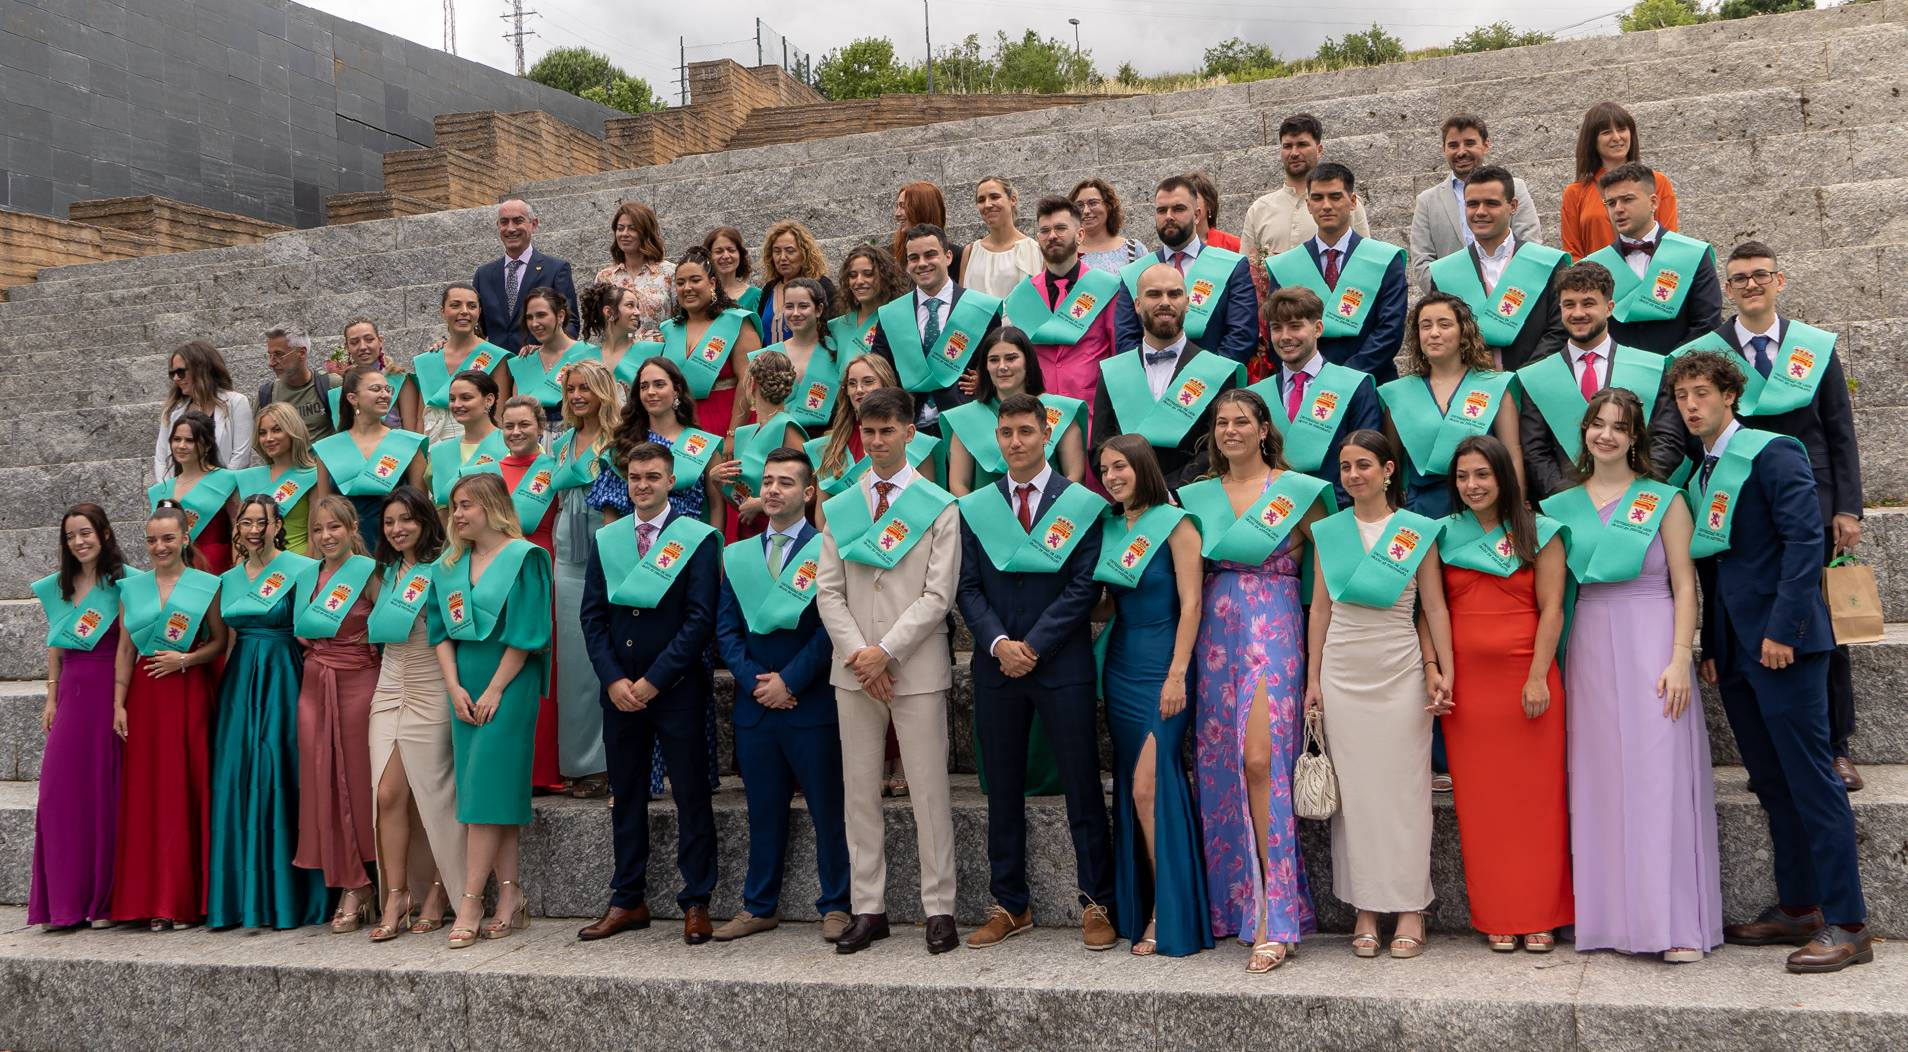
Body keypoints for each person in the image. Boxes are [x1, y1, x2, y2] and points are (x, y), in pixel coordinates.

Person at [1669, 351, 1872, 973]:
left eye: (1702, 393)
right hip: (1735, 653)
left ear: (1731, 395)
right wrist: (1715, 647)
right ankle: (1800, 907)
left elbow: (1805, 539)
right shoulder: (1696, 472)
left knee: (1812, 780)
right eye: (1682, 397)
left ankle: (1850, 923)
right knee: (1773, 783)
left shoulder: (1772, 450)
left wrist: (1784, 629)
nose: (1692, 405)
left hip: (1786, 645)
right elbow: (1713, 562)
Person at [1539, 388, 1720, 963]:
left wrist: (1679, 658)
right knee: (1599, 779)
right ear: (1584, 433)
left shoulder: (1663, 500)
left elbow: (1686, 586)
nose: (1607, 435)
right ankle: (1611, 920)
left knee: (1655, 776)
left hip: (1652, 639)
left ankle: (1673, 924)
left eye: (1620, 426)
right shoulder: (1561, 507)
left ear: (1636, 437)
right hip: (1589, 640)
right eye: (1598, 424)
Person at [1674, 241, 1864, 788]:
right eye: (1739, 279)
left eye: (1761, 276)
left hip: (1813, 502)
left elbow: (1838, 428)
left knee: (1820, 626)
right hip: (1737, 502)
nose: (1751, 285)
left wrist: (1848, 506)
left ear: (1780, 281)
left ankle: (1836, 744)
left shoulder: (1812, 348)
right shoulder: (1711, 355)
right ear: (1727, 290)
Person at [1179, 391, 1333, 971]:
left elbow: (1329, 572)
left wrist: (1319, 661)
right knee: (1221, 767)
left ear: (1265, 429)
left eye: (1243, 420)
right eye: (1221, 422)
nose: (1231, 430)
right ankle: (1240, 902)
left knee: (1261, 760)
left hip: (1274, 626)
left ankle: (1277, 908)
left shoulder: (1297, 493)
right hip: (1217, 634)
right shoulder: (1197, 497)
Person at [956, 394, 1115, 952]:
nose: (1016, 441)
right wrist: (1000, 643)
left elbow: (1083, 587)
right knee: (1002, 789)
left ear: (1046, 434)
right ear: (996, 438)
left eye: (1026, 431)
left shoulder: (1079, 503)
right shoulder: (978, 505)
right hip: (997, 664)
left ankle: (1097, 901)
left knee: (1081, 784)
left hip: (1061, 663)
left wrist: (1034, 645)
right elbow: (967, 587)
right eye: (1006, 433)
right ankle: (1009, 903)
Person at [814, 387, 962, 955]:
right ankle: (868, 906)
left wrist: (886, 652)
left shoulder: (938, 505)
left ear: (908, 433)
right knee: (860, 794)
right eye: (867, 433)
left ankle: (939, 907)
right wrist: (861, 654)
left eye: (886, 431)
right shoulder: (842, 503)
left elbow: (937, 595)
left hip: (914, 665)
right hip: (854, 669)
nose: (876, 442)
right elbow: (828, 591)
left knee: (928, 792)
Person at [1304, 430, 1451, 959]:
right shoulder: (1330, 532)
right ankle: (1365, 909)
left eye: (1363, 464)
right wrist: (1313, 678)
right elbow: (1319, 609)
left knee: (1407, 793)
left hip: (1400, 668)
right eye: (1345, 467)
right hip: (1343, 669)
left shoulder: (1416, 531)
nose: (1353, 475)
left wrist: (1441, 669)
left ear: (1389, 470)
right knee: (1358, 798)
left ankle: (1411, 907)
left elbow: (1432, 608)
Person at [576, 442, 721, 945]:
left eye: (652, 477)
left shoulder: (697, 538)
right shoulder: (609, 538)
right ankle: (627, 898)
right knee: (627, 796)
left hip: (675, 687)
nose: (642, 485)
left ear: (670, 480)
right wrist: (614, 679)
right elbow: (593, 617)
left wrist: (654, 679)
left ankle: (697, 899)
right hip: (619, 693)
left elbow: (701, 618)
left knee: (691, 793)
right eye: (635, 477)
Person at [711, 448, 852, 943]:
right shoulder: (740, 552)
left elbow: (830, 627)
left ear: (808, 493)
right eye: (767, 481)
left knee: (828, 811)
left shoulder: (826, 548)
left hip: (809, 702)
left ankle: (837, 904)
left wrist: (789, 681)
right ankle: (759, 904)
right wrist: (756, 682)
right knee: (763, 811)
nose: (772, 490)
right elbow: (726, 629)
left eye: (785, 483)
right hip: (756, 704)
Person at [1438, 435, 1572, 952]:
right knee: (1482, 807)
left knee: (1537, 803)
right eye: (1463, 477)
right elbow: (1433, 612)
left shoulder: (1539, 532)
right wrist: (1437, 669)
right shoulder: (1442, 535)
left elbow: (1552, 609)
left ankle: (1540, 912)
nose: (1472, 486)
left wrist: (1538, 675)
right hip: (1469, 693)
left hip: (1528, 685)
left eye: (1482, 475)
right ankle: (1497, 911)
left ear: (1503, 478)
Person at [1092, 437, 1211, 958]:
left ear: (1143, 467)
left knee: (1148, 786)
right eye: (1103, 469)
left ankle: (1169, 908)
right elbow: (1104, 605)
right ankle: (1146, 903)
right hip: (1120, 663)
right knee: (1136, 787)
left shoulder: (1176, 522)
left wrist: (1178, 674)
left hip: (1164, 666)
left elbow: (1192, 605)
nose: (1111, 476)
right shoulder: (1110, 527)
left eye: (1120, 466)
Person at [432, 473, 553, 948]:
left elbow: (527, 632)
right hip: (464, 685)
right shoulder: (449, 565)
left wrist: (495, 689)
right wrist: (454, 687)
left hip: (508, 684)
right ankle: (510, 895)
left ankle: (469, 900)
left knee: (482, 796)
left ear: (492, 506)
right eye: (454, 506)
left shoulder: (525, 559)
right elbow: (440, 632)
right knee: (489, 793)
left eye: (467, 506)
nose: (458, 515)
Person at [206, 493, 327, 930]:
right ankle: (241, 898)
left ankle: (293, 896)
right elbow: (225, 640)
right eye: (246, 522)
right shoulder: (227, 579)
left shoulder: (301, 570)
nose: (254, 529)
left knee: (283, 774)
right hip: (242, 682)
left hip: (285, 675)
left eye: (262, 521)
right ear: (236, 529)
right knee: (238, 780)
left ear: (279, 525)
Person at [110, 503, 228, 929]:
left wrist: (187, 659)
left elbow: (219, 642)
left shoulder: (205, 585)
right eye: (152, 540)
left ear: (184, 539)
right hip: (145, 697)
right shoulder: (133, 589)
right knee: (148, 797)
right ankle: (149, 900)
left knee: (185, 790)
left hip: (187, 693)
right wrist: (119, 702)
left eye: (167, 538)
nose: (159, 546)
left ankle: (182, 900)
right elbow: (125, 649)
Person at [366, 485, 464, 940]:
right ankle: (397, 893)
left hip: (431, 686)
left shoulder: (444, 568)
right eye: (389, 522)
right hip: (388, 686)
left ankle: (442, 889)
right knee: (387, 794)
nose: (397, 528)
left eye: (406, 519)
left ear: (425, 521)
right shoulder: (382, 573)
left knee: (434, 795)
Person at [28, 504, 129, 930]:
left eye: (85, 533)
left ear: (103, 534)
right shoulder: (59, 586)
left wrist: (120, 701)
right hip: (71, 692)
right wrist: (51, 696)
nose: (79, 542)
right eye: (71, 536)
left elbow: (127, 645)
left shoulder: (123, 583)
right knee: (58, 796)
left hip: (107, 687)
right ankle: (64, 903)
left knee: (104, 794)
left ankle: (102, 902)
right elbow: (56, 642)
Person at [1517, 261, 1688, 502]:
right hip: (1567, 507)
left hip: (1634, 503)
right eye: (1569, 305)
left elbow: (1667, 439)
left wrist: (1634, 491)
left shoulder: (1651, 367)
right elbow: (1535, 451)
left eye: (1588, 303)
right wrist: (1568, 499)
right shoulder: (1537, 376)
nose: (1577, 313)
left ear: (1609, 308)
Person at [292, 495, 382, 931]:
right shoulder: (307, 575)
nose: (326, 536)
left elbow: (388, 629)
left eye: (334, 527)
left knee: (361, 783)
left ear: (352, 529)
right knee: (324, 782)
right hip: (315, 684)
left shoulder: (368, 574)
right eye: (317, 529)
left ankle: (367, 880)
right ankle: (350, 881)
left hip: (358, 684)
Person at [1092, 263, 1243, 488]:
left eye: (1174, 294)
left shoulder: (1217, 371)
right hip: (1130, 501)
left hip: (1196, 497)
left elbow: (1221, 444)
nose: (1165, 302)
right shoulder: (1113, 371)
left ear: (1188, 302)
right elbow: (1099, 447)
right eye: (1154, 294)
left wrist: (1170, 489)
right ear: (1137, 304)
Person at [1380, 293, 1523, 519]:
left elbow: (1513, 457)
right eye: (1425, 326)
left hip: (1483, 511)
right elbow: (1392, 467)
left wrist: (1514, 516)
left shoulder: (1494, 386)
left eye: (1444, 324)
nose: (1434, 333)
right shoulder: (1399, 394)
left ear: (1463, 332)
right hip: (1420, 515)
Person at [1263, 163, 1408, 383]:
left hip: (1372, 380)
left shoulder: (1385, 259)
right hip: (1308, 385)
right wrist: (1313, 376)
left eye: (1335, 197)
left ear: (1352, 202)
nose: (1327, 206)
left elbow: (1390, 331)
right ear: (1308, 204)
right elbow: (1277, 330)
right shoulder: (1286, 266)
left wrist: (1344, 378)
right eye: (1318, 198)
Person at [549, 361, 619, 799]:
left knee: (601, 665)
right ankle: (576, 763)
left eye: (585, 389)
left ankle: (605, 762)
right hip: (564, 558)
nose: (577, 396)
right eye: (571, 389)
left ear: (602, 392)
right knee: (572, 666)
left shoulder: (619, 438)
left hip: (604, 552)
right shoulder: (561, 443)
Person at [1247, 287, 1383, 508]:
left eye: (1295, 326)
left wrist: (1329, 509)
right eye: (1276, 328)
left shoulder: (1355, 386)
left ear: (1318, 328)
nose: (1285, 337)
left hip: (1338, 510)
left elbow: (1366, 456)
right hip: (1272, 517)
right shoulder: (1257, 395)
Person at [1426, 165, 1568, 372]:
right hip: (1470, 391)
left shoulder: (1548, 264)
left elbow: (1559, 329)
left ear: (1512, 206)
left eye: (1491, 203)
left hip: (1534, 385)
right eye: (1472, 204)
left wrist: (1525, 377)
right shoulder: (1444, 273)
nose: (1480, 212)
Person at [498, 397, 568, 795]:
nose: (516, 432)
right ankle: (512, 765)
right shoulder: (490, 472)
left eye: (524, 424)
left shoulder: (553, 469)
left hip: (545, 566)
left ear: (540, 425)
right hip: (502, 571)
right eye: (508, 426)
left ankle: (546, 768)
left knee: (546, 665)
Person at [1577, 163, 1720, 355]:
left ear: (1653, 202)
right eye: (1611, 203)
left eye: (1627, 199)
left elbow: (1707, 323)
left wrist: (1672, 369)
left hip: (1681, 375)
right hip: (1616, 376)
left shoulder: (1692, 254)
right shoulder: (1593, 265)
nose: (1618, 209)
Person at [1115, 176, 1259, 366]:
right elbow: (1126, 339)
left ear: (1197, 215)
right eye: (1161, 210)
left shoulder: (1232, 266)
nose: (1169, 216)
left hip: (1213, 384)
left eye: (1179, 209)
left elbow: (1241, 335)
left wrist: (1209, 378)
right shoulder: (1134, 273)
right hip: (1150, 383)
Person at [1002, 196, 1119, 430]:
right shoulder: (1023, 294)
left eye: (1060, 228)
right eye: (1044, 230)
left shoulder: (1106, 287)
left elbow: (1117, 352)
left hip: (1092, 413)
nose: (1052, 236)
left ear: (1080, 235)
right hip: (1038, 416)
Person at [944, 327, 1087, 499]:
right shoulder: (964, 419)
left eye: (1011, 358)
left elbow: (1074, 477)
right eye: (994, 360)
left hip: (1050, 517)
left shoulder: (1062, 411)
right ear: (986, 367)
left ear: (1028, 361)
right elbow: (958, 486)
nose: (1002, 367)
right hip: (986, 519)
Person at [1408, 115, 1543, 291]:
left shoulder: (1516, 188)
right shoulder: (1427, 201)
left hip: (1510, 305)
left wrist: (1502, 301)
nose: (1461, 152)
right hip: (1453, 308)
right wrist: (1451, 304)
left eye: (1470, 143)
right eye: (1453, 145)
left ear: (1486, 145)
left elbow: (1529, 244)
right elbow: (1423, 263)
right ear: (1444, 149)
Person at [662, 245, 763, 471]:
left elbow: (749, 379)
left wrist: (733, 433)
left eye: (695, 280)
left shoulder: (737, 322)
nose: (687, 288)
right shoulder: (670, 329)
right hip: (684, 425)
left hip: (728, 419)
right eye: (680, 283)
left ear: (712, 284)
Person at [311, 364, 430, 542]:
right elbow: (324, 510)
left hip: (396, 542)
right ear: (352, 398)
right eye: (376, 389)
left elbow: (421, 508)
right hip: (346, 549)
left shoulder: (406, 443)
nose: (385, 395)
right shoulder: (328, 448)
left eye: (387, 389)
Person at [809, 355, 941, 507]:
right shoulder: (828, 446)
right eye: (852, 383)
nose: (859, 390)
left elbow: (927, 506)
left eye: (868, 382)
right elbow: (823, 517)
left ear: (886, 384)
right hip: (847, 530)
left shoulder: (920, 445)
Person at [1242, 114, 1372, 267]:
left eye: (1302, 145)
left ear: (1319, 149)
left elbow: (1365, 259)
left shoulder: (1344, 203)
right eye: (1288, 146)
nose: (1294, 153)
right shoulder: (1259, 209)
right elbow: (1247, 270)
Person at [612, 357, 725, 531]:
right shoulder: (625, 442)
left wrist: (714, 549)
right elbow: (611, 510)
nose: (650, 392)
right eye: (644, 386)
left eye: (659, 384)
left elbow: (716, 507)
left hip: (687, 545)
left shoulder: (705, 445)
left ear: (676, 390)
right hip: (634, 544)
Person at [1561, 102, 1680, 261]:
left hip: (1649, 279)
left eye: (1622, 129)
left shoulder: (1658, 182)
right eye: (1606, 132)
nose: (1617, 137)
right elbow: (1573, 254)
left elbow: (1669, 241)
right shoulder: (1575, 193)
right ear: (1592, 140)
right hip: (1596, 282)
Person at [474, 196, 578, 355]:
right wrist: (450, 343)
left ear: (533, 224)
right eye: (504, 222)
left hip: (538, 365)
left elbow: (570, 323)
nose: (510, 228)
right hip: (496, 368)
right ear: (498, 226)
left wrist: (546, 350)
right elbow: (476, 327)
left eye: (518, 221)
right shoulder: (484, 275)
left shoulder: (556, 269)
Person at [414, 282, 514, 442]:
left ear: (479, 312)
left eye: (472, 306)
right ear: (443, 311)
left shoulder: (494, 356)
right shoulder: (429, 359)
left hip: (478, 445)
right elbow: (421, 417)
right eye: (455, 305)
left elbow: (499, 414)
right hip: (434, 446)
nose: (464, 312)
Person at [726, 350, 807, 539]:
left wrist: (761, 503)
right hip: (744, 528)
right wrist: (717, 481)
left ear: (751, 383)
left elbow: (807, 490)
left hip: (779, 530)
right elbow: (737, 498)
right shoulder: (745, 432)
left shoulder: (787, 428)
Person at [148, 410, 239, 574]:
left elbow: (238, 529)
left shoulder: (227, 480)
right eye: (176, 439)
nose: (181, 446)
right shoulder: (162, 490)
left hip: (216, 567)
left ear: (208, 444)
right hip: (174, 570)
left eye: (190, 440)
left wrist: (240, 572)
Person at [152, 340, 253, 483]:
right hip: (180, 495)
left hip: (223, 492)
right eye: (172, 373)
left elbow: (241, 456)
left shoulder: (236, 402)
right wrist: (169, 491)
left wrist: (219, 489)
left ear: (200, 370)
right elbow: (162, 458)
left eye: (180, 372)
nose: (175, 378)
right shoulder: (172, 411)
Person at [755, 277, 841, 433]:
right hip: (779, 442)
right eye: (789, 306)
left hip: (826, 441)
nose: (795, 313)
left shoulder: (837, 351)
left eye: (803, 306)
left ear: (819, 309)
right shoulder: (769, 355)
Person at [508, 287, 592, 445]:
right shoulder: (525, 360)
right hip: (532, 445)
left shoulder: (587, 354)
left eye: (541, 315)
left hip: (576, 440)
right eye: (529, 317)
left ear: (560, 315)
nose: (534, 323)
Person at [236, 403, 320, 555]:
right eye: (262, 433)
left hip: (296, 565)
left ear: (293, 431)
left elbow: (316, 531)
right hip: (254, 566)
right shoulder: (248, 477)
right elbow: (237, 533)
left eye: (276, 430)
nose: (268, 438)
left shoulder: (313, 475)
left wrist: (309, 572)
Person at [593, 201, 676, 340]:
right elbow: (600, 325)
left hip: (659, 355)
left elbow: (680, 319)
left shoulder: (670, 272)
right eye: (620, 228)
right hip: (618, 357)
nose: (624, 234)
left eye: (632, 228)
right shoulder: (604, 277)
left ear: (646, 232)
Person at [427, 371, 506, 507]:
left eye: (466, 398)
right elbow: (440, 506)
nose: (457, 405)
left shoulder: (511, 444)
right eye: (452, 399)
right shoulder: (440, 452)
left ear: (489, 400)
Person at [331, 318, 421, 432]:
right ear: (347, 347)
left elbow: (411, 431)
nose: (363, 347)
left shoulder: (400, 380)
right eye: (354, 342)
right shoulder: (340, 387)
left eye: (369, 339)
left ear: (380, 341)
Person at [758, 220, 835, 345]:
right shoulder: (769, 289)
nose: (782, 257)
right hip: (770, 363)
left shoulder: (823, 286)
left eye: (790, 251)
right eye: (777, 251)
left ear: (804, 253)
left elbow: (833, 332)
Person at [580, 282, 659, 395]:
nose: (637, 312)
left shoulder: (654, 352)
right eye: (630, 305)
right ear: (608, 312)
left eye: (637, 307)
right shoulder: (586, 359)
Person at [257, 327, 333, 442]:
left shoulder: (331, 385)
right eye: (270, 355)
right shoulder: (266, 395)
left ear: (301, 353)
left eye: (278, 354)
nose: (271, 363)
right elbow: (259, 442)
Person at [829, 243, 905, 358]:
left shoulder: (899, 321)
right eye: (853, 275)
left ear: (885, 276)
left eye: (868, 274)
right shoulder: (838, 326)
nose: (859, 281)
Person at [1070, 177, 1147, 274]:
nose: (1086, 211)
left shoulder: (1133, 249)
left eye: (1093, 203)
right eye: (1079, 205)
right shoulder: (1066, 253)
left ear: (1109, 206)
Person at [893, 180, 961, 278]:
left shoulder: (959, 257)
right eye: (898, 206)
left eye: (903, 206)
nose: (897, 214)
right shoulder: (899, 256)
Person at [705, 225, 760, 312]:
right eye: (719, 251)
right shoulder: (700, 294)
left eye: (731, 250)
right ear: (709, 256)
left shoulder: (756, 296)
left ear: (740, 255)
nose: (726, 256)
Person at [1183, 170, 1241, 252]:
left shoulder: (1233, 245)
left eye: (1193, 197)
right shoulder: (1173, 248)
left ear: (1209, 204)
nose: (1185, 204)